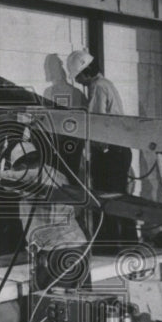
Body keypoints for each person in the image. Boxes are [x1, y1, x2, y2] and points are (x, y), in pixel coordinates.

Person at [66, 48, 137, 251]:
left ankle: (109, 245)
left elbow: (97, 124)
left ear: (85, 71)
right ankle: (128, 243)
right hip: (119, 150)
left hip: (110, 153)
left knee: (107, 200)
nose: (78, 81)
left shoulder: (98, 87)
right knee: (121, 198)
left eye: (78, 77)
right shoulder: (107, 84)